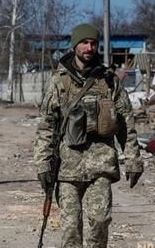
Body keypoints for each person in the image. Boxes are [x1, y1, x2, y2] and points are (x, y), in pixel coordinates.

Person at [34, 23, 144, 248]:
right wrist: (43, 165)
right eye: (84, 42)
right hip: (67, 168)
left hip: (101, 165)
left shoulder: (109, 81)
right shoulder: (59, 82)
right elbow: (46, 126)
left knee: (99, 222)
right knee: (71, 228)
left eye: (93, 43)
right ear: (75, 45)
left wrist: (133, 161)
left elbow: (126, 125)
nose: (89, 47)